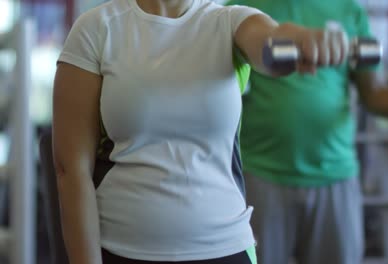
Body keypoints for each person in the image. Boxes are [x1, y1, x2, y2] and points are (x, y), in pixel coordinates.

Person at [52, 0, 350, 263]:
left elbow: (271, 44)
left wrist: (300, 40)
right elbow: (71, 169)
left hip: (224, 248)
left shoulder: (231, 21)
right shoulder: (97, 27)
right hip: (120, 248)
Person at [223, 0, 388, 263]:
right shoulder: (242, 10)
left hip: (334, 174)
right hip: (261, 173)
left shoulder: (349, 11)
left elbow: (375, 93)